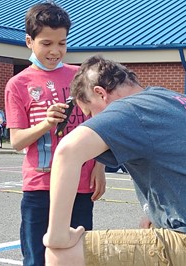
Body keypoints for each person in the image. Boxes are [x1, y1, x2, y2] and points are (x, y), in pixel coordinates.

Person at [43, 55, 186, 266]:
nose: (93, 119)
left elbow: (68, 151)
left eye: (90, 111)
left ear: (100, 93)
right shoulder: (168, 98)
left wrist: (57, 235)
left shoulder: (130, 109)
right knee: (148, 229)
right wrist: (157, 215)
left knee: (61, 254)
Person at [5, 4, 105, 266]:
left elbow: (100, 123)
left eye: (62, 42)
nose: (55, 51)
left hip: (80, 185)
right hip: (40, 186)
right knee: (37, 257)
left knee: (78, 256)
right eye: (46, 43)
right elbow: (16, 142)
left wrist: (100, 165)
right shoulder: (18, 84)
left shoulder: (80, 77)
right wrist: (45, 123)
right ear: (29, 41)